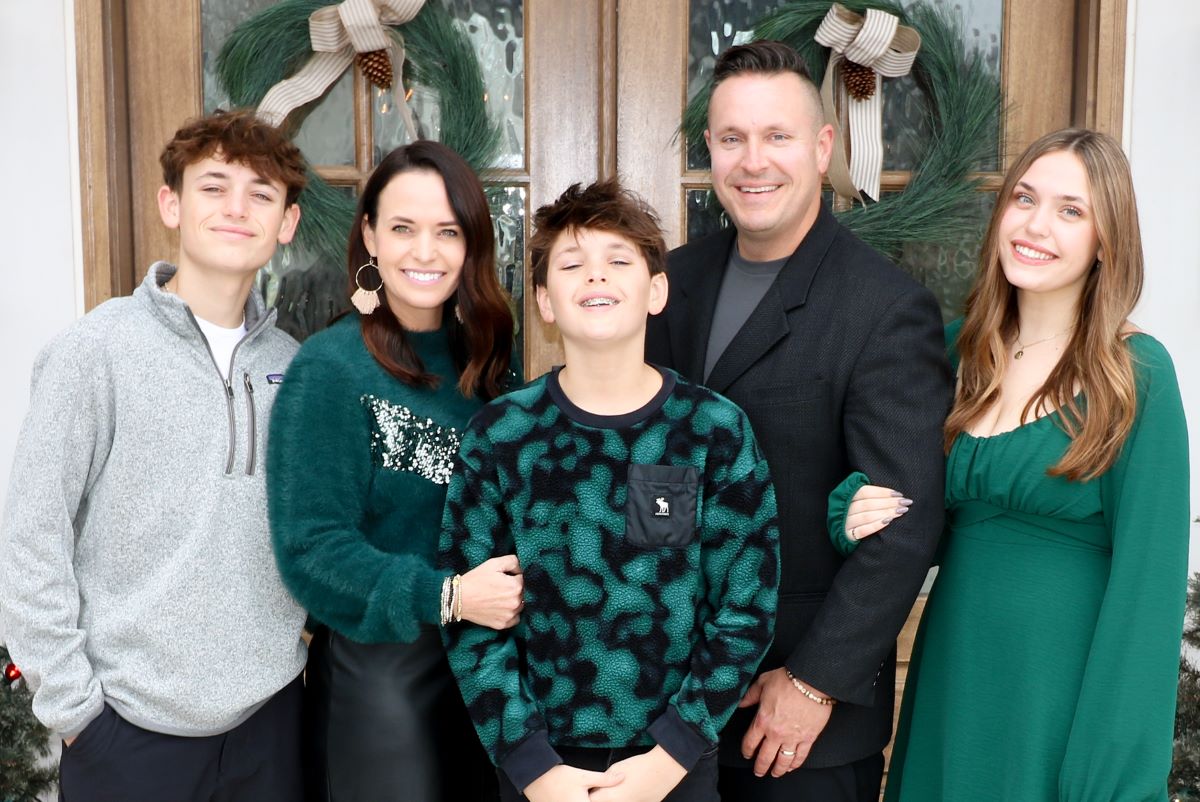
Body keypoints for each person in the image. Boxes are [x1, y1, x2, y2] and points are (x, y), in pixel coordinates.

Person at [834, 128, 1190, 801]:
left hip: (1061, 701)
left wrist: (1111, 777)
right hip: (955, 678)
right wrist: (853, 510)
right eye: (1023, 198)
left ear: (1106, 242)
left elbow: (1149, 594)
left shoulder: (1139, 375)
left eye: (1070, 210)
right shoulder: (952, 357)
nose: (1035, 224)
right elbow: (913, 518)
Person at [644, 40, 953, 802]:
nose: (754, 162)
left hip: (797, 728)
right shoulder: (669, 284)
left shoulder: (884, 309)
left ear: (821, 148)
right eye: (732, 139)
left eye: (777, 136)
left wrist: (814, 683)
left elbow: (906, 524)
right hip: (668, 711)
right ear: (710, 149)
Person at [439, 178, 781, 802]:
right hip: (539, 768)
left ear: (656, 291)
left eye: (618, 261)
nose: (596, 277)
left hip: (672, 763)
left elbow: (745, 608)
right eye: (572, 265)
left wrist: (672, 754)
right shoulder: (501, 436)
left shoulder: (713, 431)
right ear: (544, 300)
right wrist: (532, 765)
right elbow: (472, 615)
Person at [0, 110, 309, 801]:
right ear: (171, 203)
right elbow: (30, 541)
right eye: (214, 187)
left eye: (261, 194)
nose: (237, 208)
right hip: (128, 736)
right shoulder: (97, 351)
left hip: (272, 726)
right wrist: (77, 713)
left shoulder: (296, 368)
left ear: (286, 223)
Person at [266, 140, 522, 802]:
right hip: (382, 685)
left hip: (485, 677)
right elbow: (310, 551)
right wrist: (450, 596)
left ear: (471, 246)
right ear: (371, 237)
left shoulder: (486, 368)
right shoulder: (330, 368)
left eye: (447, 231)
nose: (425, 252)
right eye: (403, 229)